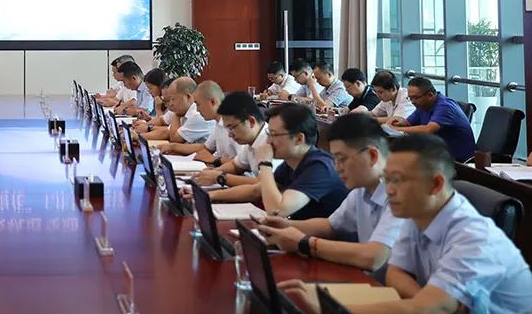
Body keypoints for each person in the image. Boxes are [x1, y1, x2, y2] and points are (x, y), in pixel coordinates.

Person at [281, 134, 532, 314]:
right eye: (387, 180)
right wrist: (431, 300)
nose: (388, 190)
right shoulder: (416, 213)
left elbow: (424, 307)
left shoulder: (475, 237)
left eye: (399, 181)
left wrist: (331, 308)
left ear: (435, 184)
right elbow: (395, 273)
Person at [256, 113, 404, 271]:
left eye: (342, 159)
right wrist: (286, 225)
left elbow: (373, 258)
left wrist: (304, 243)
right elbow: (331, 226)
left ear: (372, 156)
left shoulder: (402, 193)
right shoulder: (361, 190)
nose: (337, 168)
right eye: (335, 159)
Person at [207, 103, 347, 218]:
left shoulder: (320, 167)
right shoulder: (291, 162)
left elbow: (277, 210)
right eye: (268, 134)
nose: (268, 141)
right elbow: (255, 191)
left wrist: (265, 164)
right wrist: (211, 195)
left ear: (299, 139)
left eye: (274, 135)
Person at [191, 92, 267, 190]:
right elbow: (235, 165)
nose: (230, 135)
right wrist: (214, 172)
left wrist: (220, 177)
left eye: (232, 128)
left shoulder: (271, 141)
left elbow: (262, 184)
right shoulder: (251, 141)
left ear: (251, 122)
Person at [389, 77, 475, 162]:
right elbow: (408, 123)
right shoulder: (423, 105)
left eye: (416, 98)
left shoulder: (445, 106)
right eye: (410, 98)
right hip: (437, 153)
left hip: (457, 160)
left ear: (430, 95)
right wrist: (398, 122)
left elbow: (428, 130)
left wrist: (395, 129)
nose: (412, 102)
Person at [156, 80, 237, 165]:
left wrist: (215, 160)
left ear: (212, 102)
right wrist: (172, 147)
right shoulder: (219, 123)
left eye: (198, 104)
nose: (197, 110)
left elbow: (241, 162)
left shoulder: (233, 125)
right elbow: (205, 147)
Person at [133, 77, 214, 144]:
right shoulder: (182, 109)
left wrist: (140, 134)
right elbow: (165, 128)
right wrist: (140, 132)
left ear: (188, 97)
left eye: (173, 99)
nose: (171, 104)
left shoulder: (197, 115)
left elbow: (174, 138)